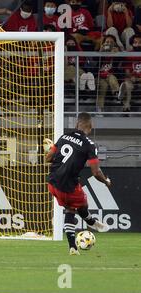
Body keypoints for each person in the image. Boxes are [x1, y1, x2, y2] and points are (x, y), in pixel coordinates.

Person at [44, 112, 110, 256]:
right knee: (80, 206)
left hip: (53, 183)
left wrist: (49, 149)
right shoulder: (89, 145)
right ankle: (90, 221)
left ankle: (73, 247)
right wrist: (106, 181)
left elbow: (48, 158)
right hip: (69, 186)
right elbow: (96, 172)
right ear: (90, 127)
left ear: (76, 124)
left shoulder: (63, 137)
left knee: (70, 208)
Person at [97, 34, 121, 112]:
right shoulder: (100, 51)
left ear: (115, 44)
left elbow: (120, 64)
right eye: (107, 42)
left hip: (110, 76)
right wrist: (100, 52)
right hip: (100, 77)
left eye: (111, 42)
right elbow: (94, 62)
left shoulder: (117, 52)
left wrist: (117, 54)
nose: (109, 44)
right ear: (104, 43)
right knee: (103, 86)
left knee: (111, 77)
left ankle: (117, 94)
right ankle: (99, 109)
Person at [118, 33, 141, 113]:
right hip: (131, 79)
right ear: (132, 44)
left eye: (140, 42)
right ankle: (126, 105)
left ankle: (121, 93)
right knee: (128, 85)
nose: (138, 44)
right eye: (135, 42)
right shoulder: (129, 54)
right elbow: (127, 71)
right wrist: (131, 77)